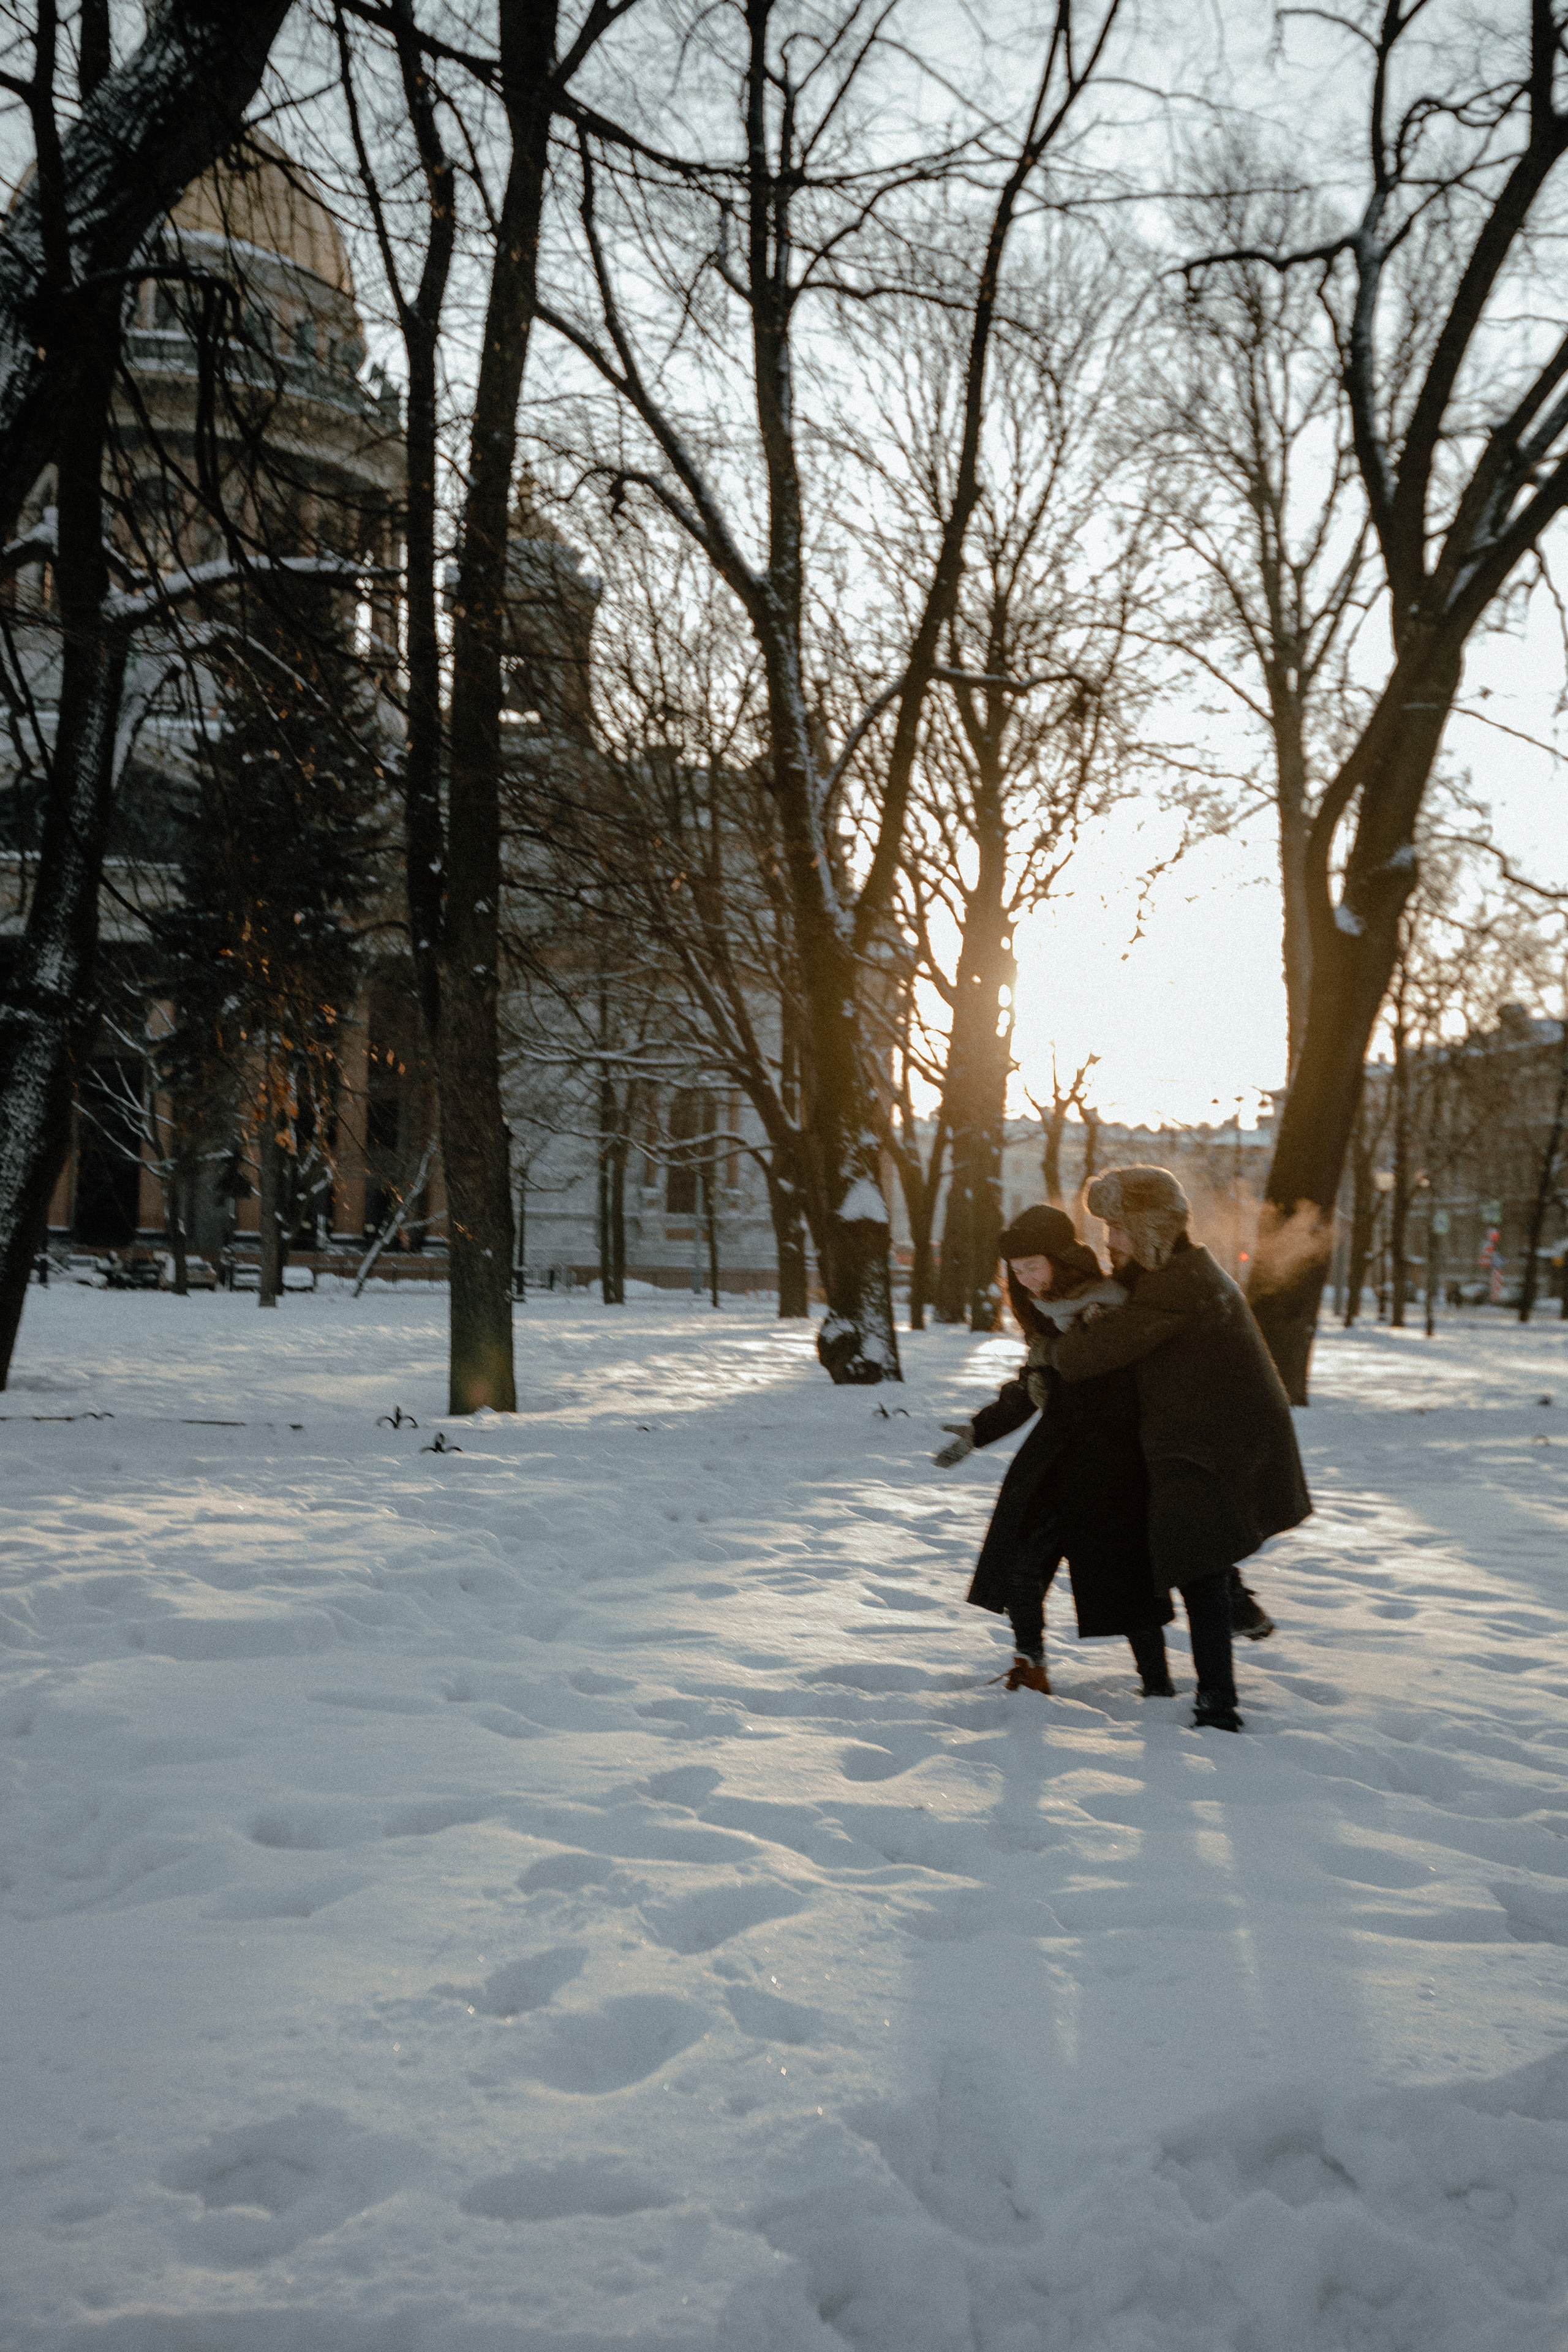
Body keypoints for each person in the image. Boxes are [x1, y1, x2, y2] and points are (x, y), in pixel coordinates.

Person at [1030, 1166, 1311, 1732]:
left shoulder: (1178, 1284)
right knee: (1195, 1551)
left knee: (1198, 1565)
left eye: (1118, 1229)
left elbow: (1092, 1354)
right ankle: (1236, 1607)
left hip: (1216, 1441)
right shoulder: (1168, 1272)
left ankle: (1218, 1705)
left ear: (1150, 1228)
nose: (1109, 1241)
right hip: (1201, 1432)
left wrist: (1046, 1351)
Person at [933, 1204, 1177, 1698]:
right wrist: (981, 1429)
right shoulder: (1046, 1311)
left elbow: (1124, 1384)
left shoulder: (1109, 1304)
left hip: (1111, 1466)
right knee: (1022, 1566)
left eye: (1033, 1267)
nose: (1025, 1280)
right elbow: (1033, 1385)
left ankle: (1157, 1684)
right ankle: (1031, 1666)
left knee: (1126, 1579)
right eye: (1017, 1272)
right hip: (1053, 1462)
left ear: (1061, 1260)